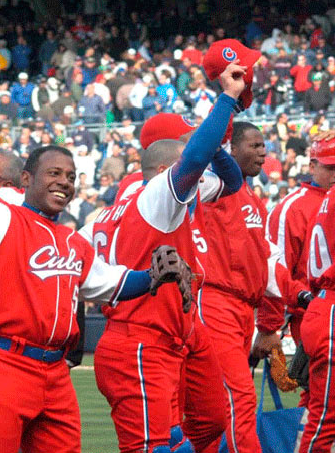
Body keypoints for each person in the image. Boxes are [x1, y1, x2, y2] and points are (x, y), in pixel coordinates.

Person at [0, 120, 186, 452]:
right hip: (1, 363)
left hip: (55, 373)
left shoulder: (73, 240)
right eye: (54, 173)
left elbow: (112, 284)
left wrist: (152, 277)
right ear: (26, 179)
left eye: (71, 177)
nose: (64, 182)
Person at [89, 62, 245, 453]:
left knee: (211, 424)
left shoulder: (118, 203)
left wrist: (217, 145)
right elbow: (192, 163)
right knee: (154, 446)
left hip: (176, 330)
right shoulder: (158, 196)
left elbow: (232, 182)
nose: (198, 171)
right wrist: (225, 101)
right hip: (139, 336)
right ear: (163, 170)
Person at [199, 121, 308, 453]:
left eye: (265, 146)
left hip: (244, 309)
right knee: (239, 399)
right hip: (216, 300)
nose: (264, 152)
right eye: (255, 145)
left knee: (213, 413)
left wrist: (301, 297)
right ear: (230, 150)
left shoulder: (255, 202)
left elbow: (269, 264)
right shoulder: (211, 187)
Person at [255, 136, 335, 359]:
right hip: (310, 314)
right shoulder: (292, 208)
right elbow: (275, 270)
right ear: (312, 166)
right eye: (330, 168)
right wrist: (269, 326)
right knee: (321, 389)